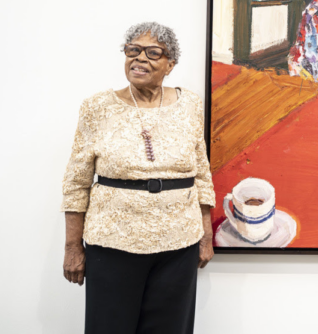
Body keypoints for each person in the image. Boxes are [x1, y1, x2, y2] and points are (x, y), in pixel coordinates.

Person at [61, 22, 216, 334]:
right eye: (133, 50)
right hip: (113, 241)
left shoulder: (191, 105)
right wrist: (72, 246)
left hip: (179, 242)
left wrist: (205, 234)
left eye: (152, 53)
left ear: (170, 64)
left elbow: (201, 172)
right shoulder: (97, 107)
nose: (139, 59)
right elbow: (76, 181)